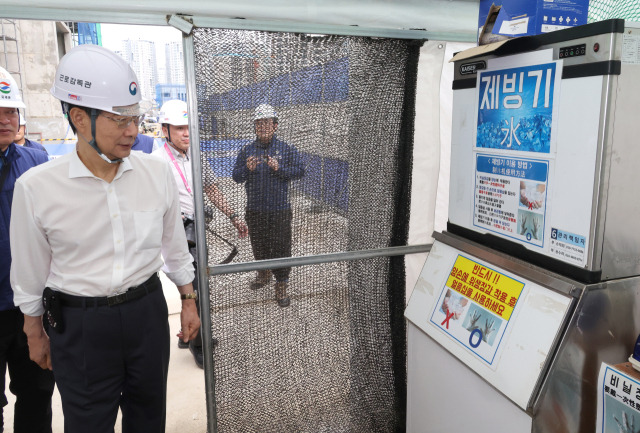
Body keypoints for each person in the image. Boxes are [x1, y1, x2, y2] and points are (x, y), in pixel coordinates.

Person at [9, 44, 199, 433]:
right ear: (80, 118)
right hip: (81, 327)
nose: (132, 130)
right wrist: (34, 332)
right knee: (88, 424)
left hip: (146, 315)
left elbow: (175, 249)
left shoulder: (155, 174)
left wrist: (189, 300)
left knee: (149, 419)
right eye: (119, 119)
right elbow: (29, 273)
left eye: (136, 118)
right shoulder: (37, 188)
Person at [152, 99, 247, 368]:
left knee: (198, 285)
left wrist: (233, 216)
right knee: (191, 288)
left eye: (189, 128)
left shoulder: (197, 156)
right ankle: (198, 344)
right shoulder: (155, 162)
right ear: (165, 130)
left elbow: (211, 189)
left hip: (198, 230)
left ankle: (188, 334)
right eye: (179, 128)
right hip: (175, 234)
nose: (186, 134)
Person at [0, 66, 54, 433]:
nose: (5, 120)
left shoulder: (35, 163)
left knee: (37, 394)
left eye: (9, 111)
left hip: (27, 306)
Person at [232, 104, 305, 307]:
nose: (263, 126)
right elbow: (236, 177)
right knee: (259, 243)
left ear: (275, 125)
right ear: (255, 126)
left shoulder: (286, 149)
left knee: (281, 246)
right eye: (259, 123)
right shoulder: (247, 150)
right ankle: (263, 273)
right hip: (255, 209)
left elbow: (300, 172)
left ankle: (281, 283)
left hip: (280, 209)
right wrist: (247, 169)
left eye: (267, 123)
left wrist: (279, 168)